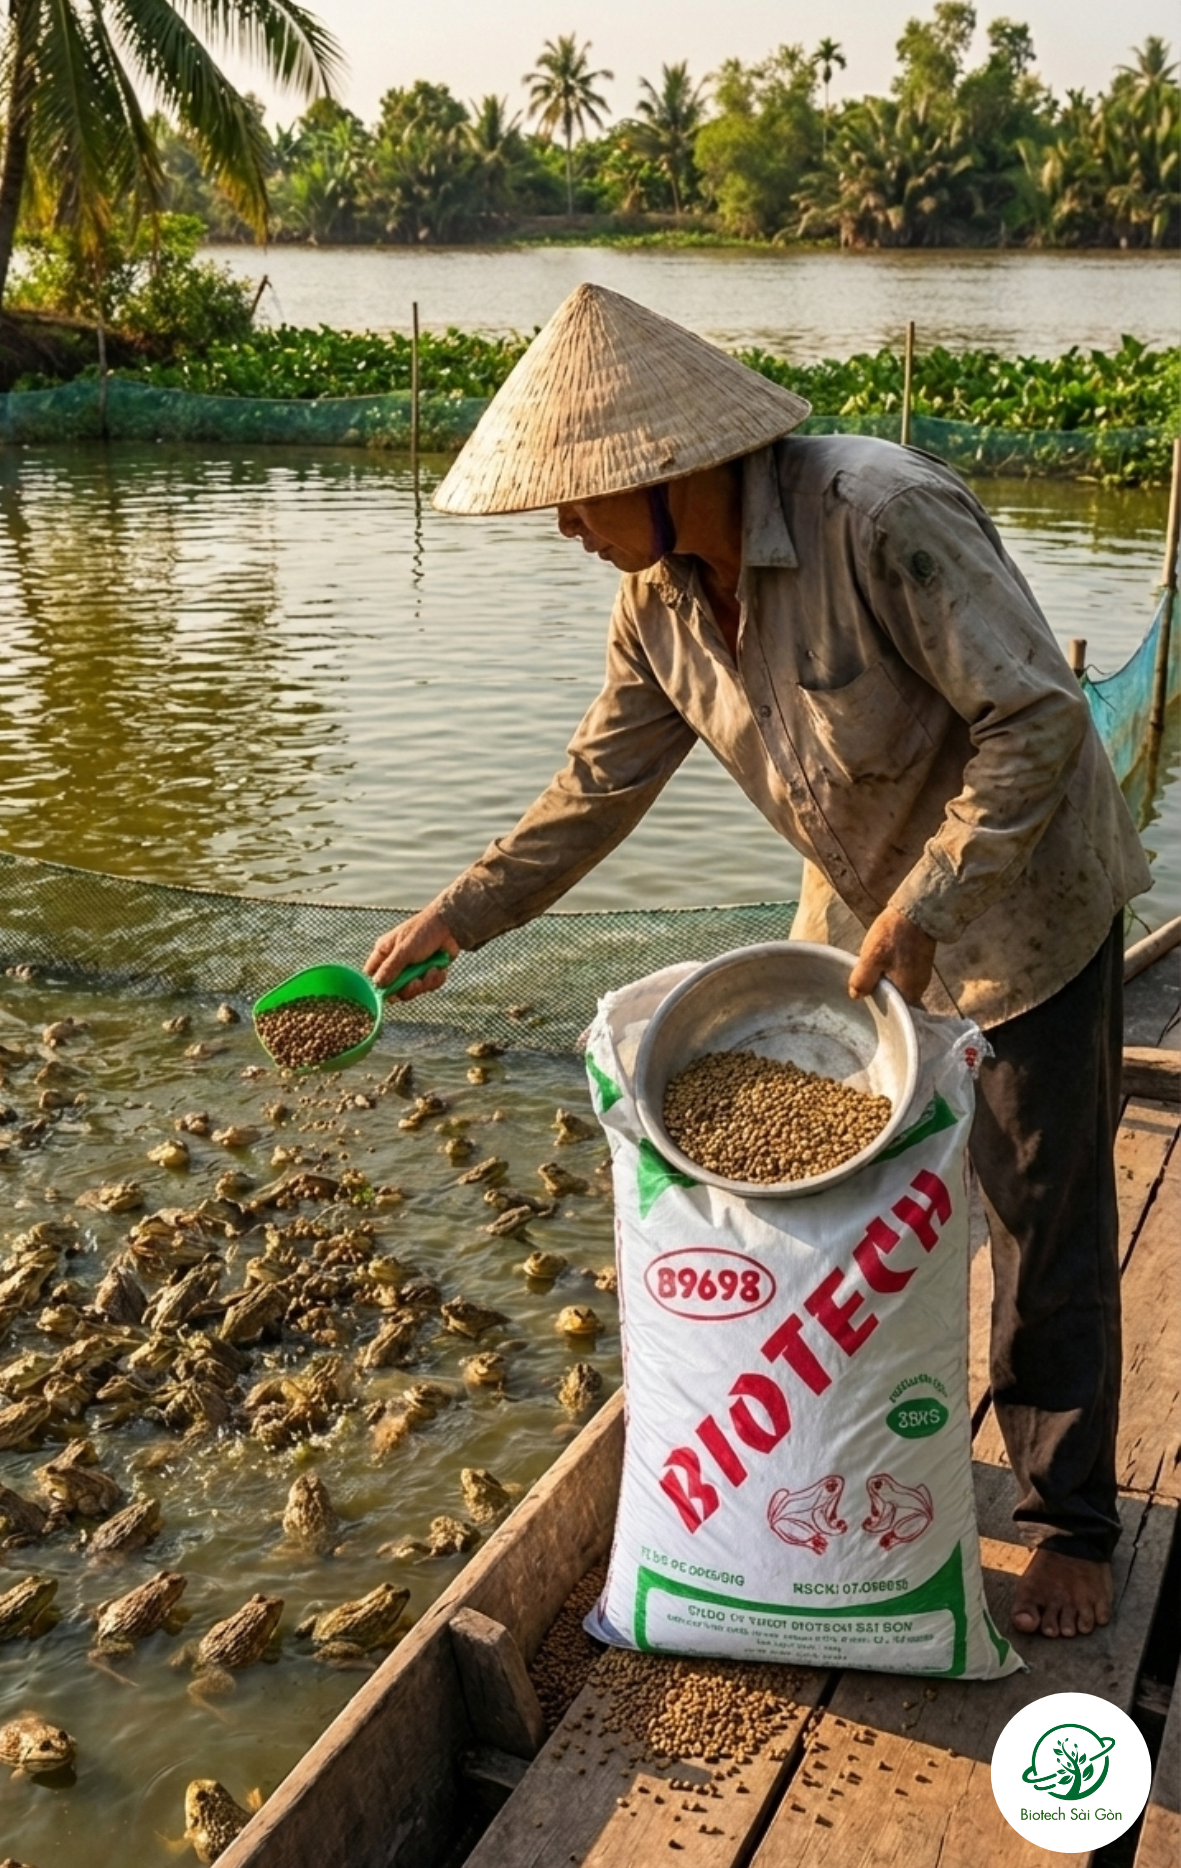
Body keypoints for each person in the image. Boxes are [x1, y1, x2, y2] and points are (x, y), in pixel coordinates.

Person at [365, 284, 1151, 1641]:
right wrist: (459, 914)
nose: (567, 527)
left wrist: (936, 895)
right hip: (857, 919)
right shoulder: (658, 604)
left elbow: (1037, 719)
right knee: (834, 1206)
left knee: (1039, 1206)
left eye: (583, 498)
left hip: (1021, 902)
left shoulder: (879, 516)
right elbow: (592, 792)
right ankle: (845, 1459)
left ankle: (1070, 1519)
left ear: (668, 471)